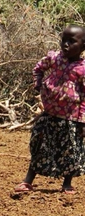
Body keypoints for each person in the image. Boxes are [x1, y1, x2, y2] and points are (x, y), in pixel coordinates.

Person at [15, 25, 85, 194]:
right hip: (48, 114)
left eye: (71, 41)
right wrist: (38, 83)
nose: (65, 45)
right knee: (40, 146)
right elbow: (38, 68)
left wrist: (83, 120)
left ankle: (66, 184)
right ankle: (28, 181)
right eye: (63, 40)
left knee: (70, 150)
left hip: (71, 119)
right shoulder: (55, 59)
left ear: (83, 46)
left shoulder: (83, 69)